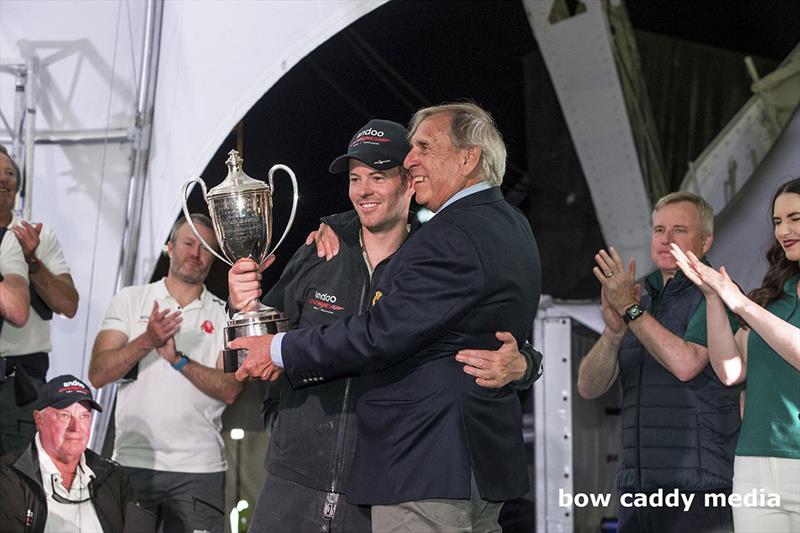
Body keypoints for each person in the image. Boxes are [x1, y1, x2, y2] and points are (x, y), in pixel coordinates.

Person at [231, 102, 542, 532]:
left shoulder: (443, 240)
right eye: (356, 178)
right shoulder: (321, 249)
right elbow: (250, 345)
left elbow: (383, 333)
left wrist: (525, 363)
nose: (364, 190)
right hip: (308, 476)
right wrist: (245, 308)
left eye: (380, 175)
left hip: (410, 469)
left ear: (410, 184)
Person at [577, 191, 739, 533]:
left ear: (706, 241)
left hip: (699, 491)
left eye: (679, 230)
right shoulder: (640, 295)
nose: (666, 240)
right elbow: (588, 387)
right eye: (659, 230)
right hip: (637, 492)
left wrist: (632, 312)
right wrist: (613, 331)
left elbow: (686, 364)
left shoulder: (717, 294)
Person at [89, 214, 242, 533]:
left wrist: (177, 359)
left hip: (200, 469)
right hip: (133, 463)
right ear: (169, 247)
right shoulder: (131, 299)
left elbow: (230, 389)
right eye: (188, 243)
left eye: (205, 249)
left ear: (213, 260)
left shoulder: (224, 315)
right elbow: (98, 373)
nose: (195, 254)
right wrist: (148, 340)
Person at [671, 177, 800, 533]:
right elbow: (730, 372)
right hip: (755, 464)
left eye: (795, 218)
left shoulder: (755, 306)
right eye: (777, 221)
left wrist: (739, 302)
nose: (783, 230)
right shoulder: (775, 296)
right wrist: (713, 298)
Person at [0, 145, 79, 456]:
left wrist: (32, 261)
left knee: (18, 488)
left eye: (9, 173)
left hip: (21, 384)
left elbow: (69, 305)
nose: (4, 179)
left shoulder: (36, 235)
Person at [0, 374, 150, 532]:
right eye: (64, 416)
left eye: (84, 417)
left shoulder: (115, 477)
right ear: (39, 419)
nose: (76, 428)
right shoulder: (9, 476)